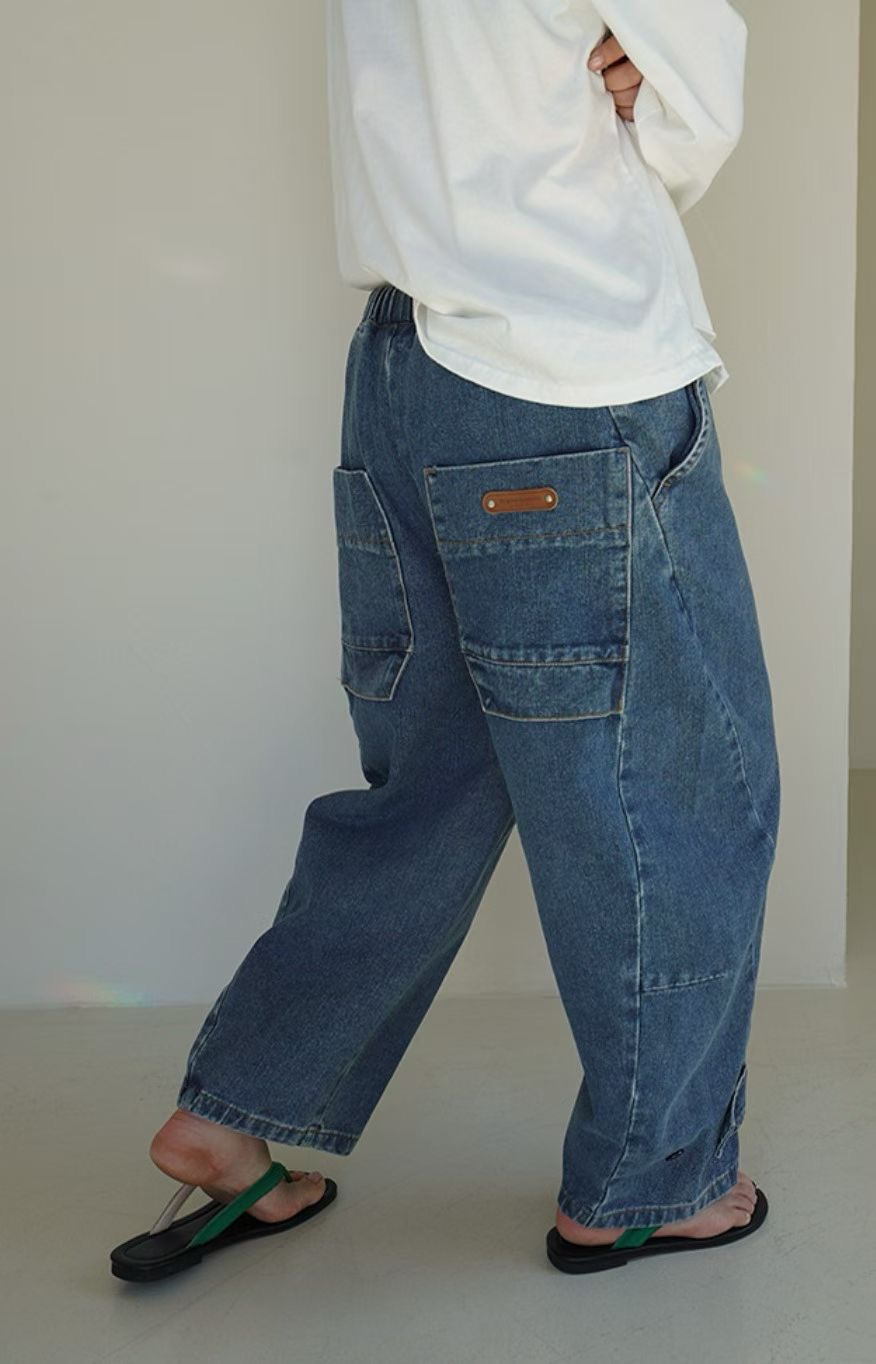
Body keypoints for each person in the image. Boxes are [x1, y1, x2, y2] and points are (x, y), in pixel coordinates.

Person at [111, 0, 779, 1281]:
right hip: (563, 368)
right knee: (673, 794)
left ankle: (232, 1113)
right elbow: (694, 109)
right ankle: (652, 1182)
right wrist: (645, 84)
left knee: (433, 787)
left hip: (404, 369)